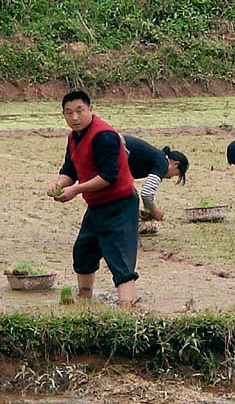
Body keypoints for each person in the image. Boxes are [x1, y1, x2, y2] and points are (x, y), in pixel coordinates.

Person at [47, 90, 139, 308]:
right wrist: (59, 185)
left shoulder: (103, 136)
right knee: (84, 251)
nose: (75, 117)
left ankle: (127, 307)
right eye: (69, 113)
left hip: (120, 202)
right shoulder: (73, 137)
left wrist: (76, 190)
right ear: (64, 115)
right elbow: (70, 168)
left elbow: (108, 176)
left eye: (79, 111)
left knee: (119, 257)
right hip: (96, 204)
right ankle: (84, 298)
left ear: (90, 109)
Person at [122, 135, 189, 222]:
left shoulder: (155, 158)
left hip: (112, 144)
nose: (170, 177)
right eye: (176, 174)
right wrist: (155, 211)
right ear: (175, 164)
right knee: (131, 197)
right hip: (116, 148)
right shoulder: (163, 163)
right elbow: (147, 193)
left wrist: (135, 212)